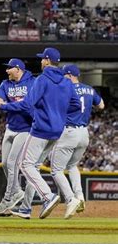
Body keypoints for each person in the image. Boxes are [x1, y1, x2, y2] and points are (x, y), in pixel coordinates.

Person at [0, 47, 81, 220]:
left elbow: (27, 105)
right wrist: (57, 111)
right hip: (57, 130)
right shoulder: (67, 82)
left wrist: (3, 106)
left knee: (25, 165)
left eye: (42, 59)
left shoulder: (41, 80)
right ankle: (29, 208)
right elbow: (76, 105)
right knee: (35, 166)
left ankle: (48, 197)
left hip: (41, 129)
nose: (41, 61)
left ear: (47, 61)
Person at [14, 64, 105, 216]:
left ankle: (70, 199)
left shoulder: (66, 88)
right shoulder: (89, 89)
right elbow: (101, 105)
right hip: (84, 132)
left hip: (66, 131)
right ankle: (79, 196)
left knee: (54, 169)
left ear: (68, 75)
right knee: (73, 165)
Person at [0, 58, 35, 216]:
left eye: (9, 68)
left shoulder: (32, 82)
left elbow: (26, 105)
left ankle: (8, 199)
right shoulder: (5, 84)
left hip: (26, 128)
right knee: (4, 163)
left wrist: (6, 104)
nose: (7, 71)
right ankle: (16, 191)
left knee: (13, 163)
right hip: (11, 127)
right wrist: (5, 103)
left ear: (18, 69)